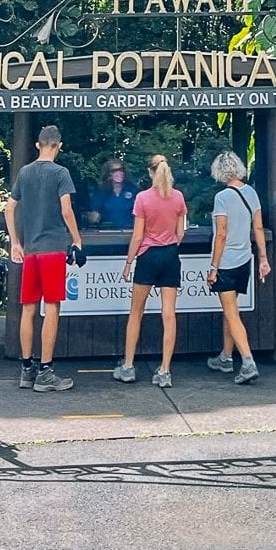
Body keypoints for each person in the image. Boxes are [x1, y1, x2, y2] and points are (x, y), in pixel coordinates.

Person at [4, 124, 84, 393]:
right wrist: (76, 239)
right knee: (52, 307)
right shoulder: (61, 173)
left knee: (28, 308)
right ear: (59, 146)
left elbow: (9, 206)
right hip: (52, 249)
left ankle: (26, 370)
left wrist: (16, 242)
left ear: (38, 145)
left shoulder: (25, 172)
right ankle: (46, 371)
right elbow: (66, 209)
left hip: (31, 250)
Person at [114, 154, 186, 387]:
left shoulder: (142, 198)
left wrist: (128, 262)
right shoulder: (178, 198)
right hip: (170, 255)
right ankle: (165, 370)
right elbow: (181, 233)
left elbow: (137, 235)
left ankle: (128, 366)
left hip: (148, 255)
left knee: (136, 312)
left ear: (150, 172)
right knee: (169, 315)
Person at [206, 150, 270, 384]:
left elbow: (221, 234)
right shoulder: (251, 193)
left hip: (226, 262)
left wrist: (213, 266)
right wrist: (263, 258)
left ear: (219, 171)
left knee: (231, 313)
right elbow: (259, 229)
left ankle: (247, 361)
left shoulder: (222, 197)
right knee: (232, 310)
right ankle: (225, 356)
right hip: (245, 259)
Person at [87, 157, 137, 229]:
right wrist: (93, 217)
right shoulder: (101, 192)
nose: (119, 173)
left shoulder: (133, 190)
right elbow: (94, 213)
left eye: (121, 170)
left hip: (129, 232)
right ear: (108, 174)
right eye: (114, 171)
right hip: (108, 233)